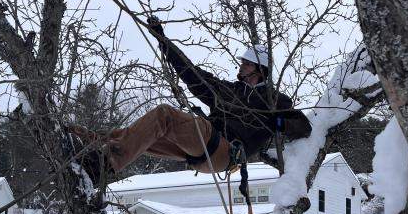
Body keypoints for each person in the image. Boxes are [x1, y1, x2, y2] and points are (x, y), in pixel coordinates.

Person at [68, 17, 311, 184]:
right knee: (132, 134)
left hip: (224, 150)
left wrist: (278, 123)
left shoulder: (273, 100)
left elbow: (303, 127)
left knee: (165, 116)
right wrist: (163, 42)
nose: (241, 65)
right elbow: (191, 72)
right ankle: (78, 139)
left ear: (260, 69)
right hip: (200, 152)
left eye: (247, 63)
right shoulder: (227, 91)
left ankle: (104, 165)